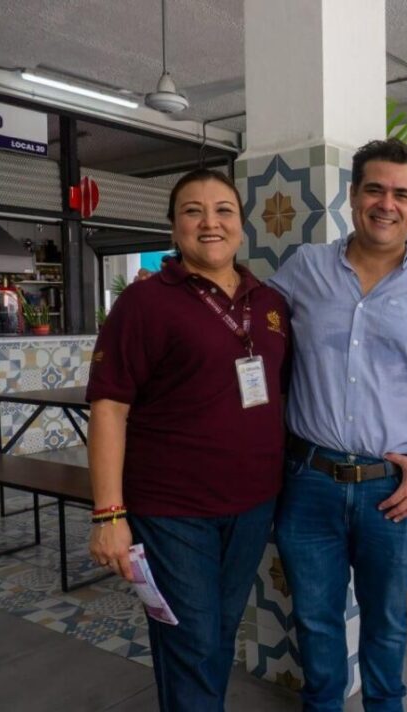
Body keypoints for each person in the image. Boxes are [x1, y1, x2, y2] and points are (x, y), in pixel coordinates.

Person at [267, 138, 407, 712]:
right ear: (354, 195)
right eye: (376, 190)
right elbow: (258, 337)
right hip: (309, 482)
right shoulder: (305, 269)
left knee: (387, 621)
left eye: (402, 194)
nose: (388, 204)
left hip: (395, 490)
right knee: (315, 618)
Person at [86, 168, 290, 711]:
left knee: (218, 633)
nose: (209, 222)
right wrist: (109, 514)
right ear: (174, 228)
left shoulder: (269, 303)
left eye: (223, 210)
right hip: (173, 511)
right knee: (191, 642)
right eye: (192, 211)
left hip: (252, 505)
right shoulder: (144, 303)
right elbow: (108, 408)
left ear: (242, 225)